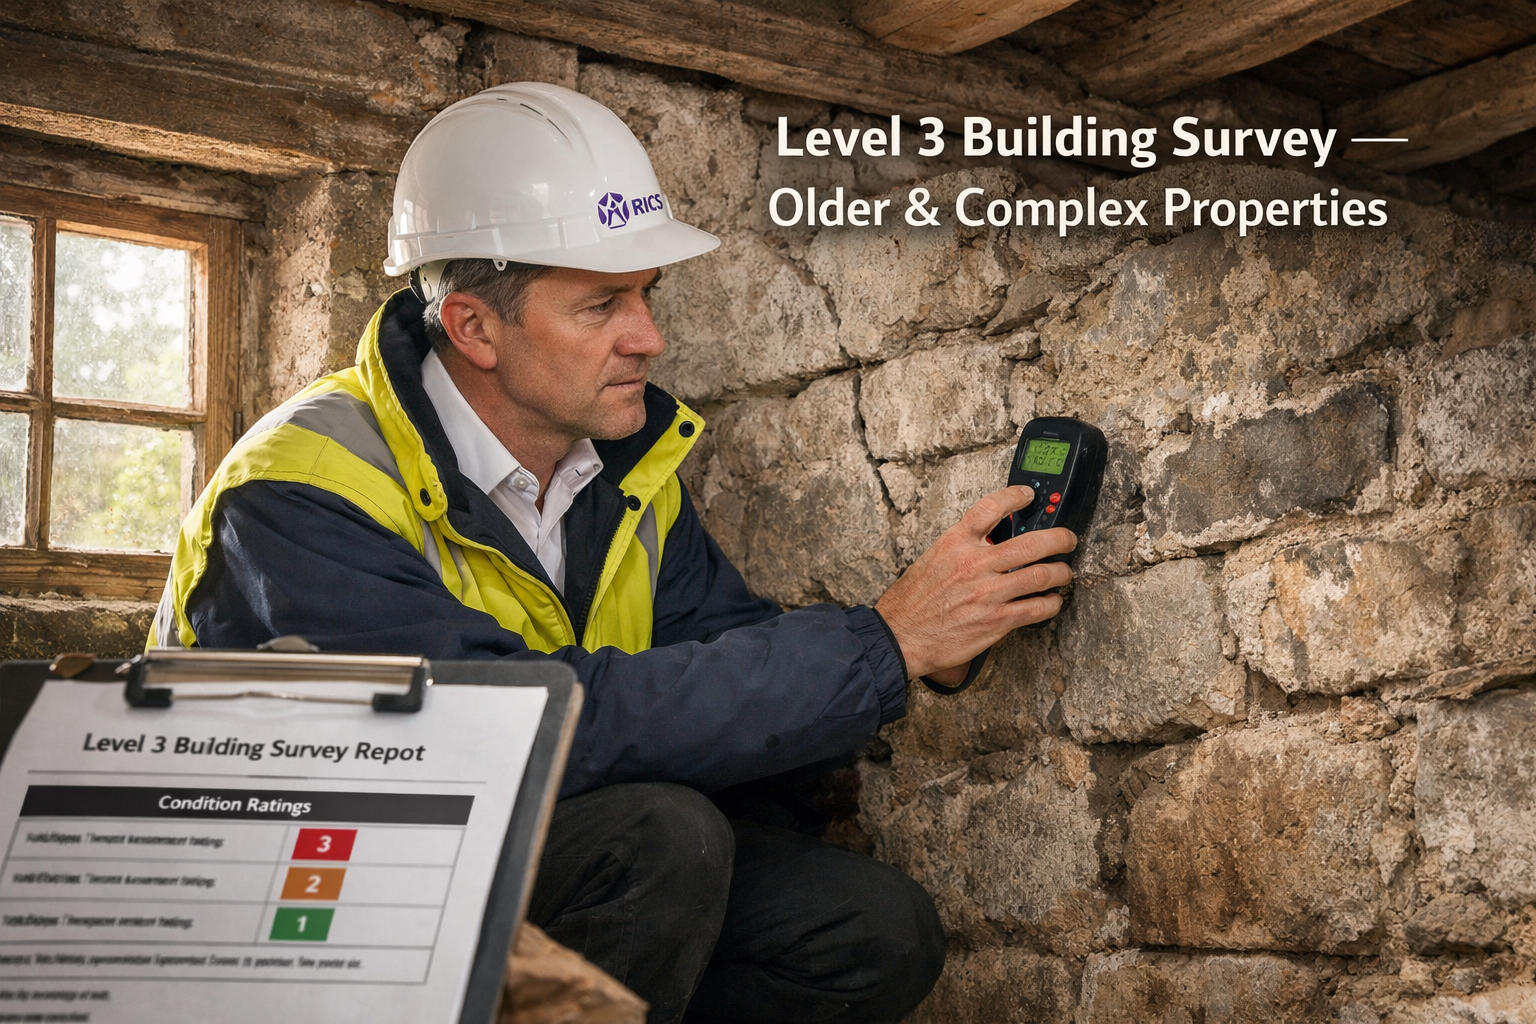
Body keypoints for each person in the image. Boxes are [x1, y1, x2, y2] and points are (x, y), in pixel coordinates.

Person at [150, 83, 1075, 1023]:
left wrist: (927, 648)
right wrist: (881, 642)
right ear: (474, 327)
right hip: (313, 897)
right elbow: (510, 737)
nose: (650, 337)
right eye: (602, 306)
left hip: (506, 855)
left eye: (646, 295)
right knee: (660, 839)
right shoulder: (300, 489)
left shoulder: (621, 475)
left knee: (867, 930)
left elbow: (724, 671)